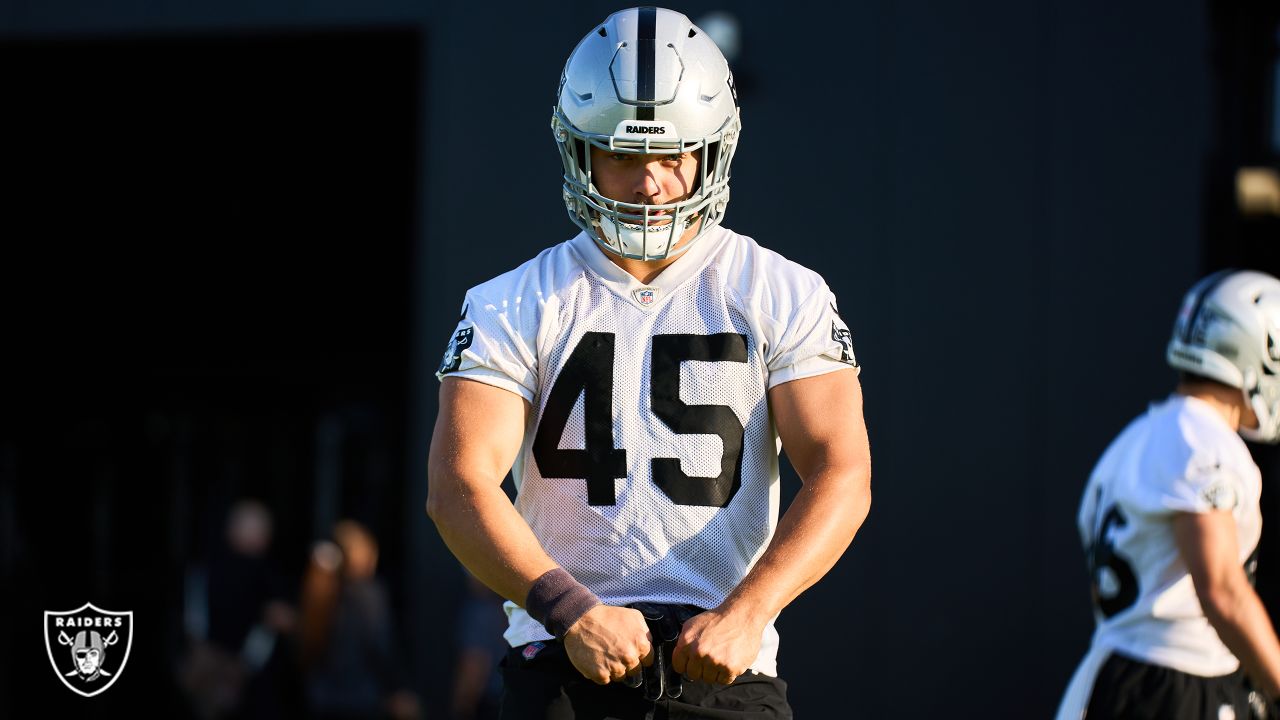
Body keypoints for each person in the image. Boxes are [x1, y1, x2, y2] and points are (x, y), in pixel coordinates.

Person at [426, 7, 871, 718]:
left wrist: (750, 612)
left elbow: (842, 471)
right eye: (625, 156)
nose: (652, 183)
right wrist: (569, 609)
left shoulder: (781, 290)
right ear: (579, 151)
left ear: (714, 149)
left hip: (726, 663)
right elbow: (458, 485)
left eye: (673, 155)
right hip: (564, 662)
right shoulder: (512, 301)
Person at [1056, 270, 1280, 720]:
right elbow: (1222, 590)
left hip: (1112, 677)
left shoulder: (1133, 441)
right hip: (1173, 687)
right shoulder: (1206, 443)